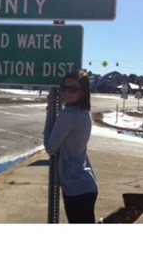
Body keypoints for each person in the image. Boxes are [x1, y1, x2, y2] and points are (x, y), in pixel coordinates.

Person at [43, 70, 98, 223]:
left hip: (75, 189)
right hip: (87, 185)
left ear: (82, 92)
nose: (66, 92)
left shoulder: (68, 115)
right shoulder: (85, 113)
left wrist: (49, 113)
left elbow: (50, 148)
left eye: (72, 89)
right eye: (64, 88)